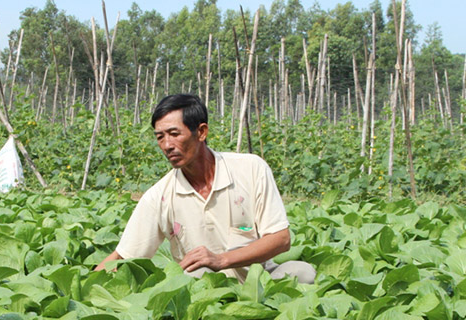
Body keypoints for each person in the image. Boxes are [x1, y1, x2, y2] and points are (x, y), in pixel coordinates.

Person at [95, 94, 315, 284]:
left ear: (201, 132)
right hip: (205, 289)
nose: (167, 145)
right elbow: (123, 256)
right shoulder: (159, 196)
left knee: (303, 272)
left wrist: (221, 260)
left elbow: (281, 239)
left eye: (174, 134)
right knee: (198, 272)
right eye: (160, 137)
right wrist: (84, 287)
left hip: (259, 281)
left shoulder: (250, 169)